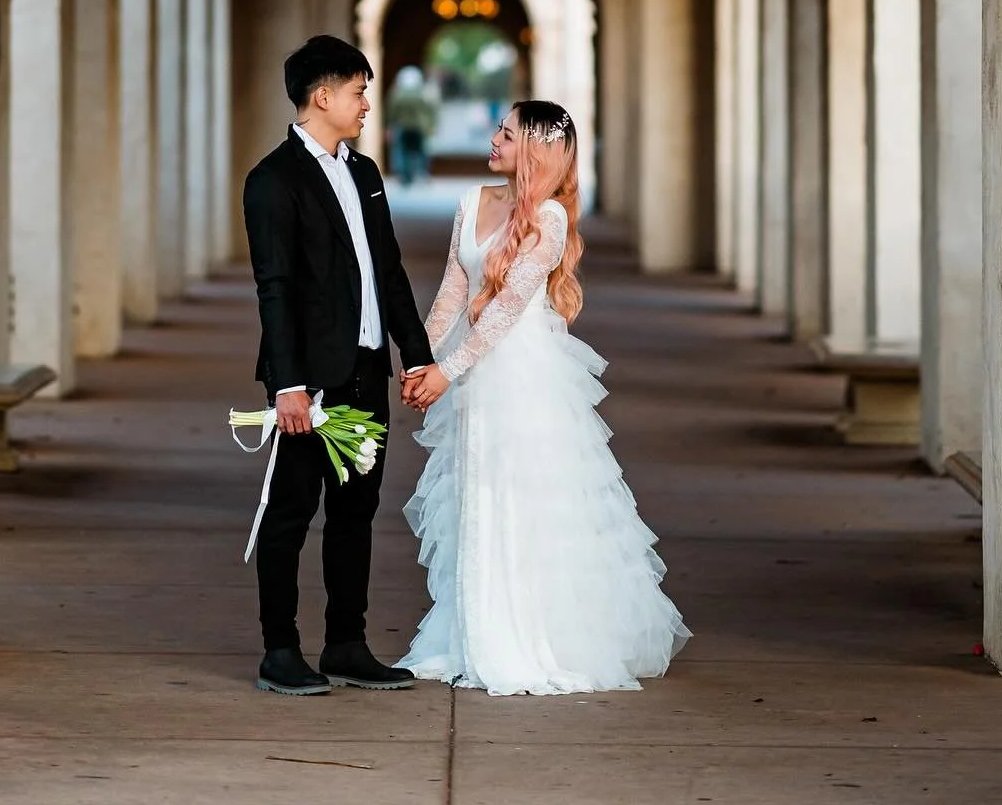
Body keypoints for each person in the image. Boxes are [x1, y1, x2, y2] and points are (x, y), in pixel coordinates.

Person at [399, 100, 691, 695]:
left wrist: (446, 371)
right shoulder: (472, 202)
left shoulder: (551, 220)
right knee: (471, 489)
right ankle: (471, 630)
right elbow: (455, 289)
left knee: (522, 491)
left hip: (520, 372)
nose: (495, 139)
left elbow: (506, 310)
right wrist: (420, 360)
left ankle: (530, 635)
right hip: (466, 366)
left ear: (533, 150)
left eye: (507, 133)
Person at [242, 34, 434, 697]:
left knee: (355, 510)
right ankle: (280, 650)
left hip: (364, 372)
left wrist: (417, 357)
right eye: (357, 92)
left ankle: (347, 645)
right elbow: (276, 286)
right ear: (322, 95)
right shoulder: (273, 180)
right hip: (312, 383)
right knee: (291, 510)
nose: (366, 105)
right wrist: (288, 386)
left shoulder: (365, 174)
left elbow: (389, 271)